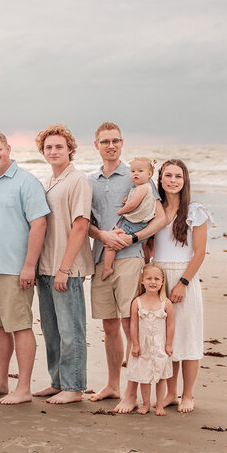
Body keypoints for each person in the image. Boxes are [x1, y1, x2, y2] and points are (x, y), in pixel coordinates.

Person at [87, 122, 166, 414]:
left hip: (131, 259)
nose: (110, 145)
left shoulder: (137, 177)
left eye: (115, 140)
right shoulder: (90, 181)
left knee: (130, 326)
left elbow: (160, 219)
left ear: (122, 143)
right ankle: (112, 385)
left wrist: (134, 237)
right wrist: (102, 236)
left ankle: (133, 393)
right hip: (100, 260)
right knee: (109, 326)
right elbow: (87, 224)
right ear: (96, 145)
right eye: (105, 141)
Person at [0, 132, 49, 405]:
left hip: (13, 268)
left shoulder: (26, 182)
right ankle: (0, 381)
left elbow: (39, 224)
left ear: (8, 149)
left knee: (19, 326)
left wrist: (29, 266)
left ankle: (24, 388)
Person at [33, 125, 95, 404]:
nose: (53, 151)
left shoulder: (78, 180)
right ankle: (58, 382)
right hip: (45, 267)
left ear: (70, 149)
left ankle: (74, 387)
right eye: (48, 147)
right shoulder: (47, 182)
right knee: (52, 330)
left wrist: (65, 268)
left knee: (71, 330)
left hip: (66, 269)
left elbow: (81, 226)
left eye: (59, 146)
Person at [153, 159, 213, 414]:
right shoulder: (155, 209)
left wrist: (183, 283)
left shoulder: (195, 211)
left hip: (183, 277)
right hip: (158, 277)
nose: (173, 180)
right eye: (168, 175)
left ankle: (187, 394)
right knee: (165, 339)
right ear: (161, 180)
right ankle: (170, 393)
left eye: (178, 176)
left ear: (185, 180)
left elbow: (199, 253)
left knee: (187, 338)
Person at [126, 263, 174, 415]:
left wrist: (168, 344)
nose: (152, 282)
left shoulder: (166, 303)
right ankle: (146, 404)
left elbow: (171, 326)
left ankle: (159, 405)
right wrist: (135, 344)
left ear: (162, 281)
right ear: (142, 281)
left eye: (156, 279)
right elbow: (133, 325)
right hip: (143, 346)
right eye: (149, 278)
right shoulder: (137, 302)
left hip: (160, 346)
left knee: (161, 377)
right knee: (144, 376)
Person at [101, 157, 156, 281]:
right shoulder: (141, 188)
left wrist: (122, 210)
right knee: (144, 246)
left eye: (140, 171)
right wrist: (128, 200)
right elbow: (134, 200)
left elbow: (133, 204)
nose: (135, 173)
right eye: (132, 171)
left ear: (149, 174)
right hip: (141, 224)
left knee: (111, 243)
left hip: (135, 223)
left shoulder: (143, 188)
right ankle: (147, 265)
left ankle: (107, 268)